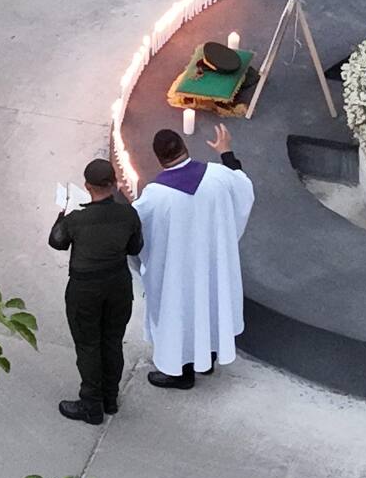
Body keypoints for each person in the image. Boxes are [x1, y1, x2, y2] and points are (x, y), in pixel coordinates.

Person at [132, 124, 253, 388]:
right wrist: (226, 152)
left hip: (177, 269)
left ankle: (180, 372)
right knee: (207, 304)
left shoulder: (155, 195)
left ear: (159, 159)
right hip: (211, 263)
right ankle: (206, 359)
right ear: (185, 148)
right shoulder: (219, 176)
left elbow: (133, 227)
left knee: (179, 311)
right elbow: (243, 188)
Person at [48, 158, 143, 424]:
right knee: (112, 340)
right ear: (114, 183)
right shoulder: (128, 214)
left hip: (85, 289)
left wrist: (63, 213)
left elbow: (56, 241)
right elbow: (135, 248)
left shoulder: (77, 219)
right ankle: (110, 398)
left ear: (87, 186)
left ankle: (91, 405)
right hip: (118, 286)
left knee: (89, 344)